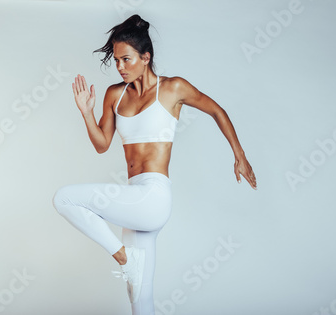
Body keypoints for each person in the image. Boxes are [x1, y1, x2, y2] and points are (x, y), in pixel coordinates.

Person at [52, 14, 257, 315]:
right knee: (140, 300)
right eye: (117, 61)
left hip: (154, 197)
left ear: (145, 57)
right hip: (133, 200)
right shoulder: (114, 94)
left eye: (126, 59)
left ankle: (123, 258)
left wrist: (239, 155)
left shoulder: (173, 88)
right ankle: (128, 262)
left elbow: (217, 111)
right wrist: (86, 113)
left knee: (64, 198)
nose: (119, 67)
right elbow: (101, 145)